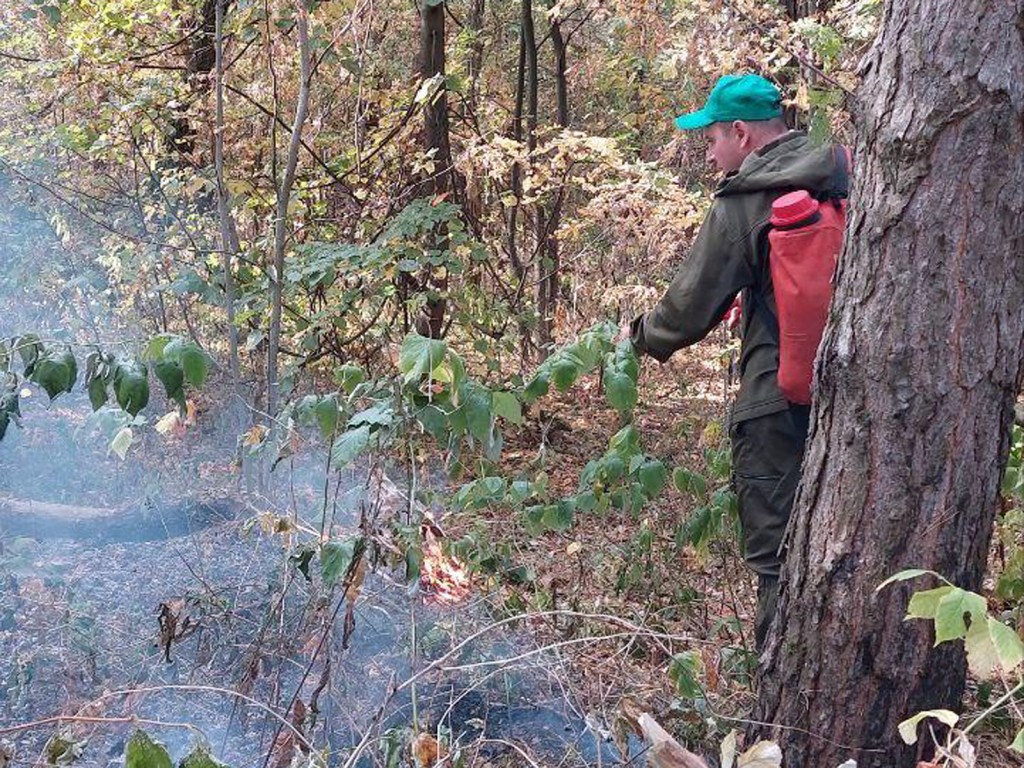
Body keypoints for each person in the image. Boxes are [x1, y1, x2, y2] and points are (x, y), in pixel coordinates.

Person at [627, 74, 849, 649]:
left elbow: (686, 309)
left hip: (776, 403)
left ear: (742, 134)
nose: (708, 151)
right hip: (851, 392)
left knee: (775, 558)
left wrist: (638, 339)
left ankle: (782, 687)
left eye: (712, 137)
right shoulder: (842, 172)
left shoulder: (745, 198)